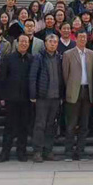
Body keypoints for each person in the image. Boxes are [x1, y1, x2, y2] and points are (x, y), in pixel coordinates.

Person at [0, 34, 33, 162]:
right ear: (17, 43)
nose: (24, 44)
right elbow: (2, 78)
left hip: (26, 99)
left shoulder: (31, 59)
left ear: (29, 44)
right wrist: (1, 96)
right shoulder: (8, 58)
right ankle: (5, 153)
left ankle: (21, 152)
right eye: (21, 41)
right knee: (9, 127)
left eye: (26, 42)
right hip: (11, 98)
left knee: (24, 127)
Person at [29, 34, 64, 162]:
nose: (53, 44)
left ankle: (48, 150)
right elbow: (33, 77)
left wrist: (62, 95)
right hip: (42, 97)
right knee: (40, 125)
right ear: (45, 43)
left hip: (56, 97)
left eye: (55, 42)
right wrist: (33, 95)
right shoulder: (39, 57)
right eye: (50, 41)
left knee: (51, 125)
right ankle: (37, 151)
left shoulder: (60, 58)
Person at [62, 30, 93, 160]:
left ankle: (80, 151)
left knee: (84, 124)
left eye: (84, 37)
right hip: (73, 91)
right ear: (75, 38)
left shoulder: (92, 54)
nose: (82, 39)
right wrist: (70, 88)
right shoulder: (68, 54)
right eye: (80, 37)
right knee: (71, 124)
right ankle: (68, 152)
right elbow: (65, 75)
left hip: (87, 91)